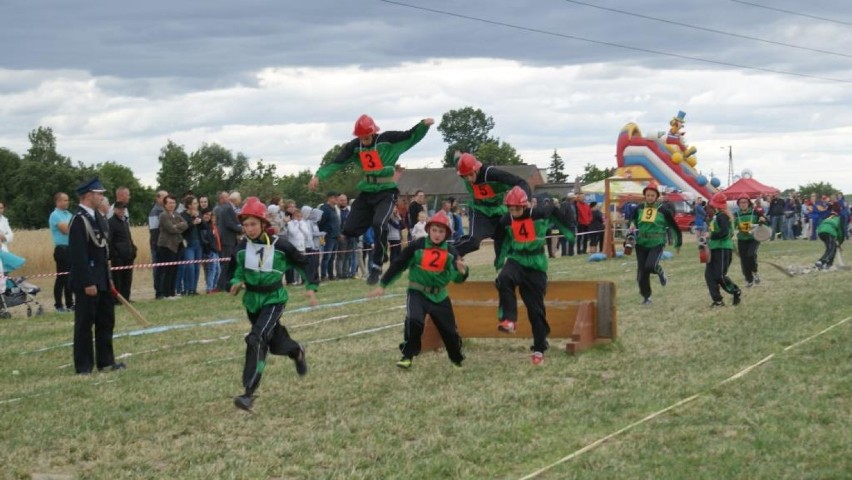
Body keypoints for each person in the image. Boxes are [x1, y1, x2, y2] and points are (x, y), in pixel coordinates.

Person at [308, 114, 434, 285]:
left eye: (367, 136)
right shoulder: (355, 147)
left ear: (373, 133)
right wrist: (318, 176)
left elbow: (409, 136)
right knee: (349, 229)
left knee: (379, 224)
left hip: (386, 192)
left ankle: (377, 264)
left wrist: (423, 126)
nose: (364, 140)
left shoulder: (387, 140)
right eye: (361, 137)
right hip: (367, 192)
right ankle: (355, 238)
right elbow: (337, 162)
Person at [230, 197, 318, 412]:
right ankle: (296, 351)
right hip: (252, 301)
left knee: (256, 339)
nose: (249, 229)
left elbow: (304, 263)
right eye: (245, 225)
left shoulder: (281, 245)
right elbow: (235, 270)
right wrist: (234, 283)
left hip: (274, 300)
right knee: (276, 343)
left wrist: (311, 287)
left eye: (253, 224)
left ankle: (248, 393)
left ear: (263, 224)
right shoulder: (241, 248)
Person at [368, 211, 468, 369]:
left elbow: (457, 278)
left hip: (440, 296)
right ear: (428, 230)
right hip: (417, 292)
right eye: (434, 230)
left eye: (441, 231)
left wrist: (463, 272)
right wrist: (383, 285)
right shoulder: (417, 246)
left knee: (449, 330)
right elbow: (398, 264)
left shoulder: (451, 252)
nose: (437, 234)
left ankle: (456, 358)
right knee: (414, 321)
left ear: (447, 234)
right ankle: (407, 355)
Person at [68, 177, 125, 374]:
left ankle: (106, 361)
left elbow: (103, 252)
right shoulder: (78, 220)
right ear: (88, 195)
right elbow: (78, 255)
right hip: (88, 281)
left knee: (106, 320)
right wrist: (87, 282)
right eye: (98, 194)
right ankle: (83, 366)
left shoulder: (99, 218)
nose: (101, 197)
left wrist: (108, 279)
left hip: (102, 278)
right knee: (85, 324)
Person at [494, 187, 554, 365]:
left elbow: (555, 211)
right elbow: (500, 239)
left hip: (536, 266)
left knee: (536, 311)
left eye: (517, 209)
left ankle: (539, 347)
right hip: (517, 260)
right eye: (510, 209)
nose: (514, 213)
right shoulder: (506, 219)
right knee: (503, 278)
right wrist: (499, 258)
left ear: (525, 206)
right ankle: (509, 319)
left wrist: (566, 228)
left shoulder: (538, 214)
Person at [453, 152, 531, 267]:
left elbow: (521, 182)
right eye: (465, 176)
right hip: (479, 210)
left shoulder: (491, 173)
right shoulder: (463, 169)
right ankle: (447, 254)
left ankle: (503, 269)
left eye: (470, 175)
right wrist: (457, 156)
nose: (469, 179)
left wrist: (527, 200)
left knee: (504, 240)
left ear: (476, 169)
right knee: (473, 242)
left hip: (498, 211)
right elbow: (459, 161)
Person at [629, 182, 682, 305]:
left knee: (650, 266)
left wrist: (678, 243)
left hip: (657, 242)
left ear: (657, 196)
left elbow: (674, 227)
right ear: (645, 196)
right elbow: (632, 219)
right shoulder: (639, 208)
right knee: (642, 271)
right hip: (641, 242)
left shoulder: (663, 210)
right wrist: (632, 224)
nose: (650, 197)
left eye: (652, 195)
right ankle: (646, 297)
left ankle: (660, 271)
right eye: (648, 195)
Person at [704, 192, 742, 307]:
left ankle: (735, 291)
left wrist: (710, 235)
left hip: (722, 249)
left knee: (719, 275)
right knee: (709, 276)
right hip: (714, 248)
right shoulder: (717, 216)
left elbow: (724, 233)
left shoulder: (723, 216)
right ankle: (718, 301)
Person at [156, 195, 188, 299]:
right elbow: (170, 229)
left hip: (176, 245)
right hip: (166, 245)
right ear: (165, 204)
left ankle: (172, 292)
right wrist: (178, 226)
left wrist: (176, 226)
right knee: (167, 270)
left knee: (174, 269)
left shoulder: (176, 214)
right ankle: (166, 293)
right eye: (169, 203)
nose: (172, 205)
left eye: (173, 203)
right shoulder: (163, 215)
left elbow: (185, 224)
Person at [733, 196, 767, 288]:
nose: (743, 204)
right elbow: (732, 226)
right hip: (742, 239)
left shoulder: (755, 212)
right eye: (741, 202)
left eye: (745, 202)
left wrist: (762, 220)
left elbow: (765, 221)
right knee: (744, 260)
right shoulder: (736, 214)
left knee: (751, 255)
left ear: (748, 203)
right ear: (738, 204)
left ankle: (755, 272)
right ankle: (749, 280)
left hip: (754, 239)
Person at [49, 192, 74, 312]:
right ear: (58, 201)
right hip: (62, 249)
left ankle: (70, 303)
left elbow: (75, 228)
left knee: (70, 278)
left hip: (71, 249)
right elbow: (65, 230)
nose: (67, 202)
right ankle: (58, 305)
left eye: (67, 200)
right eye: (65, 200)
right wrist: (72, 227)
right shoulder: (55, 215)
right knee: (62, 278)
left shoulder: (69, 214)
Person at [107, 201, 137, 302]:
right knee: (117, 279)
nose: (121, 211)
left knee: (127, 278)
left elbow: (128, 237)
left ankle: (126, 298)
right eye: (119, 209)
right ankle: (117, 300)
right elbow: (109, 241)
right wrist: (114, 254)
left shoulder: (124, 221)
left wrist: (133, 249)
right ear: (115, 210)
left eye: (123, 209)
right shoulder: (111, 222)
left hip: (128, 255)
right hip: (118, 257)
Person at [216, 191, 243, 291]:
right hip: (227, 239)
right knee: (226, 263)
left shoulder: (229, 208)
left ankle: (229, 283)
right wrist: (240, 229)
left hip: (232, 239)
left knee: (232, 262)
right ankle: (221, 285)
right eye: (240, 198)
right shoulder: (228, 208)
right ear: (235, 199)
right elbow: (229, 224)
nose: (240, 200)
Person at [180, 196, 203, 296]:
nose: (196, 205)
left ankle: (194, 289)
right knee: (190, 266)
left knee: (197, 267)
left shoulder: (198, 214)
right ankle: (187, 288)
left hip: (198, 243)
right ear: (189, 205)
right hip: (188, 244)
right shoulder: (183, 215)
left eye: (197, 203)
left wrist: (200, 219)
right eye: (194, 203)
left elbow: (204, 226)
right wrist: (193, 222)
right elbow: (184, 228)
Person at [148, 190, 168, 299]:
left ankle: (165, 290)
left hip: (165, 245)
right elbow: (154, 230)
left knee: (165, 269)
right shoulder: (155, 211)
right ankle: (159, 292)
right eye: (164, 197)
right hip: (158, 245)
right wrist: (158, 245)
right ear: (158, 198)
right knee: (159, 269)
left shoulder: (165, 211)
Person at [317, 191, 341, 281]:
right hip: (328, 236)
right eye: (335, 197)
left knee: (332, 257)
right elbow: (321, 223)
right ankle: (323, 275)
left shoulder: (334, 208)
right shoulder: (325, 209)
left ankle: (331, 274)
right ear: (330, 198)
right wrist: (324, 234)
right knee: (327, 256)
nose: (337, 199)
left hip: (335, 236)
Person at [199, 208, 222, 294]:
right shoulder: (202, 226)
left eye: (209, 215)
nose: (208, 216)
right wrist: (209, 249)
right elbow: (205, 240)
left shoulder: (210, 226)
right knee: (211, 270)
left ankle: (214, 286)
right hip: (208, 251)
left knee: (217, 270)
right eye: (206, 214)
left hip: (214, 251)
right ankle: (210, 288)